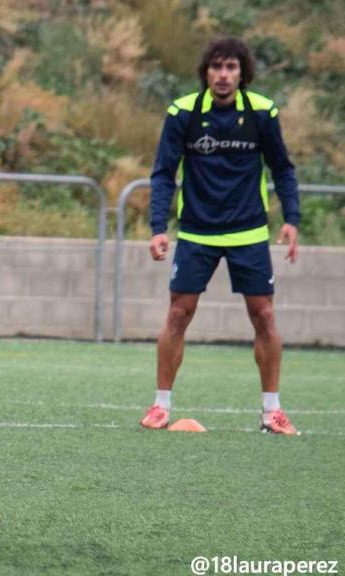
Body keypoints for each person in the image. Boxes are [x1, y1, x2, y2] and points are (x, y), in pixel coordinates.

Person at [140, 37, 301, 435]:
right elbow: (163, 173)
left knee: (263, 316)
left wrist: (292, 219)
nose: (223, 75)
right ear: (206, 73)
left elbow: (282, 168)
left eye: (231, 67)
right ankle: (161, 405)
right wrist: (158, 228)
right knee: (178, 314)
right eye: (216, 67)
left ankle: (271, 412)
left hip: (248, 231)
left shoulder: (263, 112)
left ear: (242, 73)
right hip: (196, 231)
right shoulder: (183, 113)